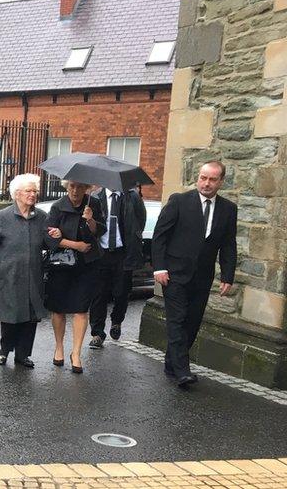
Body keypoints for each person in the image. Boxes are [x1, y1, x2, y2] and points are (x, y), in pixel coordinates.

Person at [152, 161, 237, 388]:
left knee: (192, 323)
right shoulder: (179, 201)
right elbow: (160, 235)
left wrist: (227, 276)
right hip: (174, 275)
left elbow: (228, 244)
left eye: (212, 179)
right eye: (203, 178)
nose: (206, 183)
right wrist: (159, 268)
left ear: (220, 182)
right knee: (177, 321)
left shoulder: (228, 209)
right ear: (198, 178)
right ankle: (182, 371)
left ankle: (172, 364)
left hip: (202, 277)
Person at [0, 174, 56, 368]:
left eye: (35, 191)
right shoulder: (4, 216)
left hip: (33, 277)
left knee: (30, 318)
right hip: (10, 276)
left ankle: (22, 355)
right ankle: (5, 349)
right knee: (10, 317)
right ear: (17, 194)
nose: (33, 195)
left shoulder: (41, 217)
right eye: (28, 191)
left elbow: (51, 244)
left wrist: (56, 235)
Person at [44, 180, 106, 374]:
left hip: (86, 266)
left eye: (80, 187)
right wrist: (74, 244)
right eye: (71, 186)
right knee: (59, 309)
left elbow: (100, 231)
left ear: (86, 188)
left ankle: (76, 353)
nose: (75, 190)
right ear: (66, 187)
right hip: (62, 266)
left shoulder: (93, 204)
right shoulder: (57, 207)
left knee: (81, 310)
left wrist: (90, 220)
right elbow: (48, 237)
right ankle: (59, 347)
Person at [88, 186, 146, 348]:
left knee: (122, 292)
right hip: (101, 253)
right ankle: (97, 333)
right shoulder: (95, 197)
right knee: (98, 295)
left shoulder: (132, 196)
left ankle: (116, 321)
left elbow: (141, 219)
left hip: (123, 252)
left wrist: (134, 238)